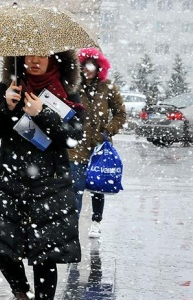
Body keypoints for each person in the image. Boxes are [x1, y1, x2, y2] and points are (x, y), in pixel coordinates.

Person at [0, 52, 84, 300]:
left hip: (50, 183)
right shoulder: (10, 87)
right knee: (4, 246)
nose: (34, 61)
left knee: (45, 251)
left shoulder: (66, 92)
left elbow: (74, 138)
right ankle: (22, 296)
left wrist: (42, 114)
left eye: (41, 56)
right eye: (29, 56)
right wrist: (6, 107)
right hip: (9, 181)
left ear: (55, 59)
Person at [68, 47, 126, 238]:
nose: (88, 69)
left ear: (99, 66)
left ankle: (96, 221)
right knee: (76, 187)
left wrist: (108, 130)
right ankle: (73, 224)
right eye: (84, 65)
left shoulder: (107, 87)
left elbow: (120, 113)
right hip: (76, 146)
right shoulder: (73, 87)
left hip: (99, 148)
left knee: (97, 186)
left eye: (91, 65)